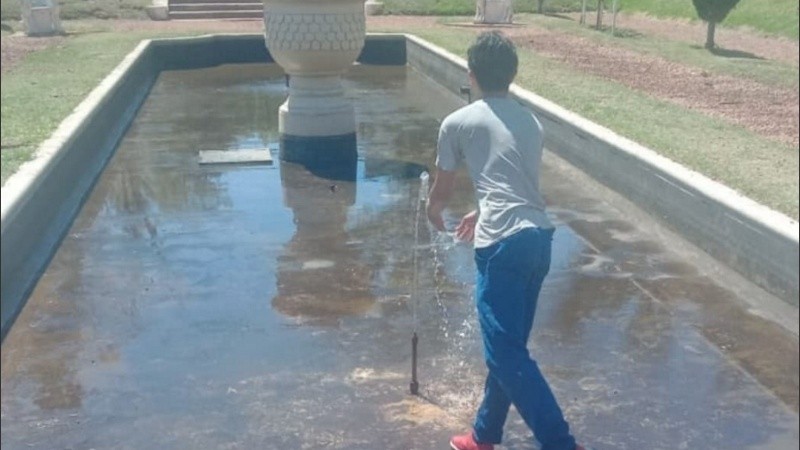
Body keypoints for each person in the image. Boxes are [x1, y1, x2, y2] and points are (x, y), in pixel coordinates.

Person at [426, 31, 590, 450]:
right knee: (509, 347)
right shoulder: (529, 121)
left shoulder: (457, 122)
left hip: (502, 245)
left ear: (471, 73)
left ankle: (561, 443)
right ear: (513, 75)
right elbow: (519, 184)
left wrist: (431, 212)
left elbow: (440, 194)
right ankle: (483, 434)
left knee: (504, 353)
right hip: (538, 239)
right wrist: (480, 210)